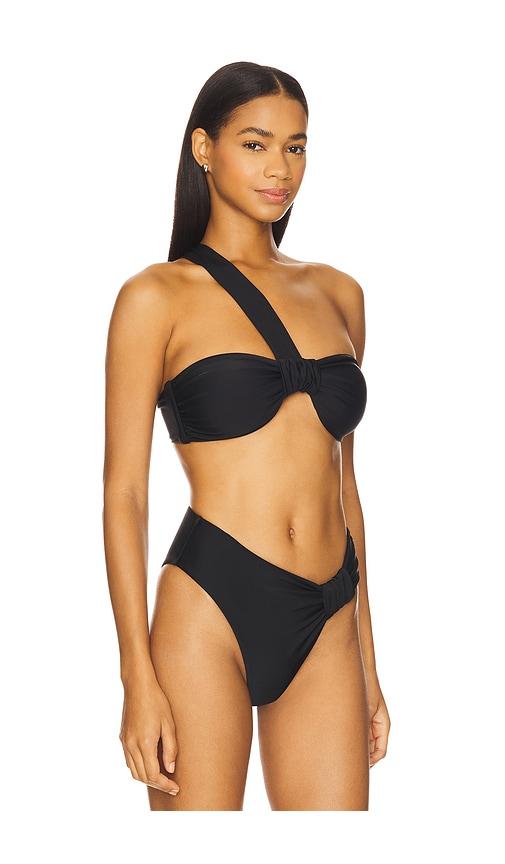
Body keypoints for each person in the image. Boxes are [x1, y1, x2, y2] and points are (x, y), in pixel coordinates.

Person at [103, 60, 390, 811]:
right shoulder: (155, 297)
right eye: (256, 144)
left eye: (296, 147)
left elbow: (345, 487)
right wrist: (136, 676)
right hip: (212, 600)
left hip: (328, 610)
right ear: (204, 148)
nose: (280, 169)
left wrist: (368, 661)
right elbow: (125, 494)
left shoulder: (338, 293)